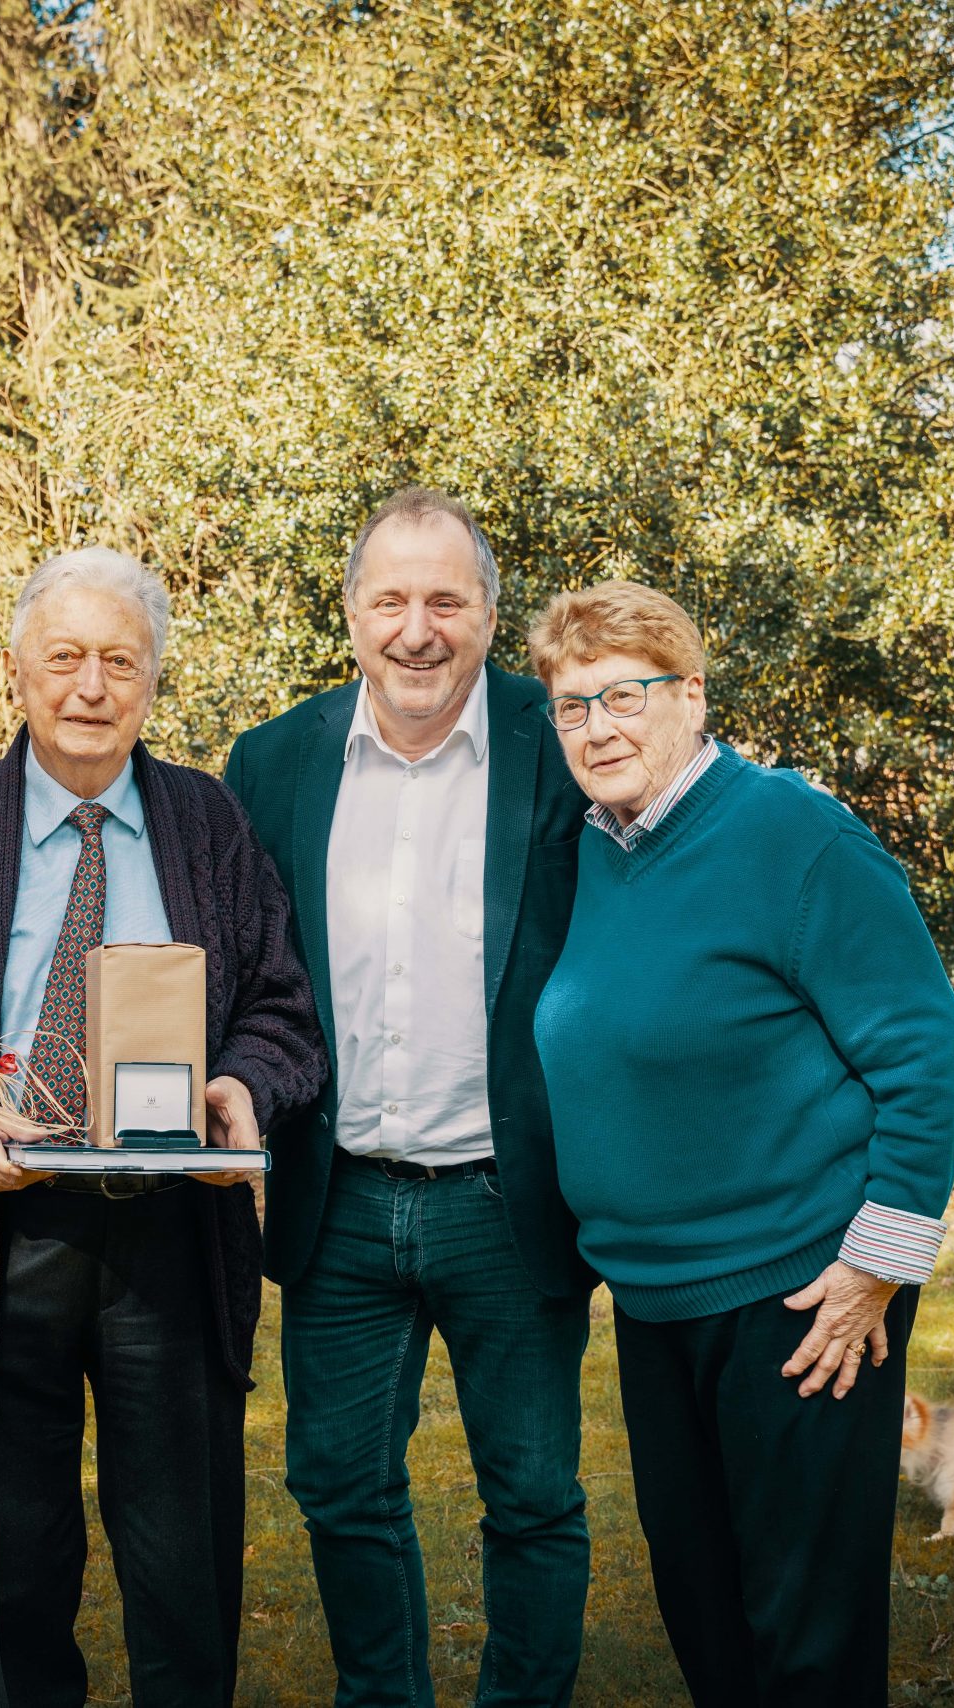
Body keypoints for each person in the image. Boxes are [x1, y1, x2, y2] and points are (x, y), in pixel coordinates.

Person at [0, 547, 325, 1708]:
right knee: (12, 1582)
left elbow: (281, 1008)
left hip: (172, 1242)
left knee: (183, 1576)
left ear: (152, 683)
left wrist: (246, 1082)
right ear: (17, 674)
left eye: (119, 661)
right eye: (65, 657)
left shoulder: (208, 822)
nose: (91, 684)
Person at [525, 581, 954, 1708]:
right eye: (571, 707)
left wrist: (878, 1264)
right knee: (706, 1614)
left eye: (622, 696)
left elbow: (926, 1049)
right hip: (655, 1297)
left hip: (797, 1295)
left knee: (805, 1635)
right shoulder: (590, 853)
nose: (596, 729)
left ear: (690, 695)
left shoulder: (791, 832)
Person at [223, 488, 594, 1708]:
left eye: (446, 599)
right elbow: (237, 969)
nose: (417, 628)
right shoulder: (274, 763)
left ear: (491, 613)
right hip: (337, 1200)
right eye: (391, 599)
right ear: (350, 614)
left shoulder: (567, 745)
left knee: (533, 1495)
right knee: (337, 1483)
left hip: (508, 1196)